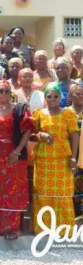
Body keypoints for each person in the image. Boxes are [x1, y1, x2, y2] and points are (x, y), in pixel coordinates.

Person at [31, 82, 79, 234]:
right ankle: (43, 228)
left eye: (55, 96)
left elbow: (75, 135)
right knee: (42, 194)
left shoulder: (68, 114)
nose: (52, 98)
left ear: (61, 97)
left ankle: (63, 230)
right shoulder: (38, 113)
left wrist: (73, 158)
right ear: (45, 97)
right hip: (43, 161)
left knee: (63, 194)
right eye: (49, 96)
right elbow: (30, 135)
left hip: (63, 160)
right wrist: (40, 135)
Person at [0, 81, 33, 240]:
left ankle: (13, 228)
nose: (4, 94)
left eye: (7, 91)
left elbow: (28, 129)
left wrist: (17, 151)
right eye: (1, 91)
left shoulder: (19, 109)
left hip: (14, 155)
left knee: (13, 189)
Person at [69, 83, 83, 221]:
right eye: (77, 93)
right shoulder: (66, 112)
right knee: (73, 182)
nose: (81, 96)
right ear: (70, 96)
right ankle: (74, 213)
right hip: (71, 153)